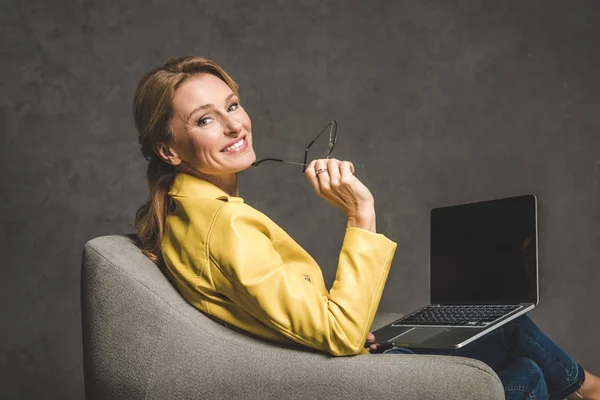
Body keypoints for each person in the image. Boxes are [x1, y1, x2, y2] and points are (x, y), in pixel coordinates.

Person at [132, 56, 599, 400]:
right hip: (341, 378)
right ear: (169, 150)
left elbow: (278, 316)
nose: (236, 126)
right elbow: (338, 334)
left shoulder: (185, 211)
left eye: (233, 106)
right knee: (515, 336)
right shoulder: (225, 224)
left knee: (525, 373)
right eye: (206, 119)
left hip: (323, 359)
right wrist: (361, 215)